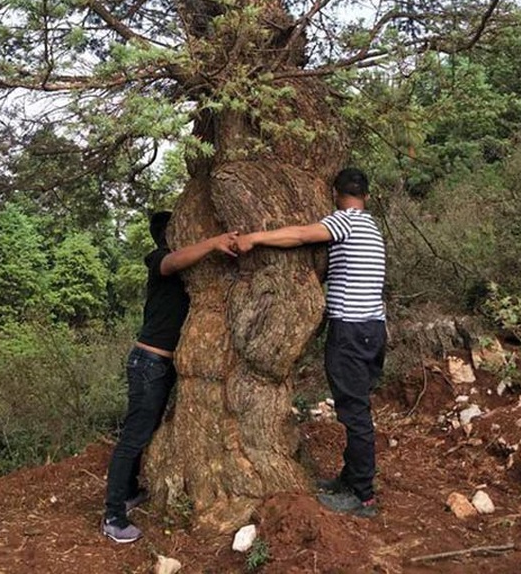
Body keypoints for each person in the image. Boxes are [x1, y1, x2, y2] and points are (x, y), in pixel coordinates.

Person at [233, 168, 386, 518]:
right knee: (356, 408)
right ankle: (351, 478)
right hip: (371, 328)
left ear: (335, 192)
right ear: (367, 194)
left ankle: (363, 497)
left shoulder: (346, 221)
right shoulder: (371, 226)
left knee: (355, 413)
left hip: (352, 329)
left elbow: (301, 235)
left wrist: (255, 238)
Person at [102, 212, 239, 543]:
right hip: (148, 363)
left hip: (160, 366)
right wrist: (214, 242)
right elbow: (173, 261)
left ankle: (129, 491)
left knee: (145, 430)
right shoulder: (159, 259)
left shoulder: (186, 269)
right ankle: (112, 515)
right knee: (134, 435)